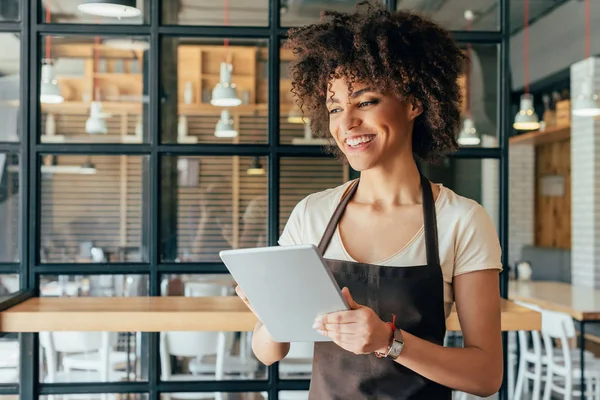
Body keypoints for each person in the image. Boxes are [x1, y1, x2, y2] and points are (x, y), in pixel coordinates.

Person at [236, 2, 503, 398]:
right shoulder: (313, 213)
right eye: (335, 108)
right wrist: (271, 315)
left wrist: (388, 340)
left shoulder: (461, 220)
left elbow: (486, 376)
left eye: (365, 102)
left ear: (415, 103)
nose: (346, 123)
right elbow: (268, 352)